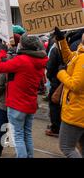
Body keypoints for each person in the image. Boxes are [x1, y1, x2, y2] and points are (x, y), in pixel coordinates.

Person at [0, 34, 48, 158]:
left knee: (17, 136)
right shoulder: (40, 60)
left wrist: (3, 50)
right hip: (30, 103)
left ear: (23, 45)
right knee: (27, 134)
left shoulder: (22, 60)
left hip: (16, 103)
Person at [53, 27, 84, 158]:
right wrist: (61, 40)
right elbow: (69, 58)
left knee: (66, 147)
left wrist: (61, 73)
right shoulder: (80, 54)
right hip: (78, 110)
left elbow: (75, 85)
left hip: (76, 111)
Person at [45, 35, 63, 137]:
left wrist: (50, 77)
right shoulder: (72, 45)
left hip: (57, 80)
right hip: (64, 80)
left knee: (54, 103)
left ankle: (56, 127)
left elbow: (50, 66)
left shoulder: (56, 48)